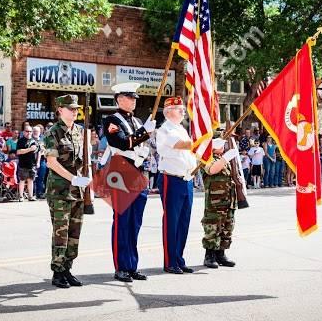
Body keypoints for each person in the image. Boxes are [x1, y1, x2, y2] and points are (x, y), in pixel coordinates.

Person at [102, 82, 156, 283]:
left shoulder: (137, 120)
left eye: (134, 98)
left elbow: (141, 146)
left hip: (138, 173)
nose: (134, 101)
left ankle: (132, 265)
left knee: (135, 222)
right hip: (121, 172)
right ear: (119, 99)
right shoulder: (111, 120)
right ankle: (121, 267)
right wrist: (144, 132)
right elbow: (121, 142)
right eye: (130, 97)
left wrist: (145, 132)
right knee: (122, 221)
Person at [43, 94, 92, 289]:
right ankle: (57, 271)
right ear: (60, 110)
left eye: (76, 108)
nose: (74, 111)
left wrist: (88, 182)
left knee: (74, 232)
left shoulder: (80, 131)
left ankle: (68, 269)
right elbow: (51, 162)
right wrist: (72, 178)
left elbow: (86, 161)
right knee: (60, 233)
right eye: (70, 108)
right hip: (59, 190)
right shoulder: (52, 133)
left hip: (78, 190)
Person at [156, 96, 197, 274]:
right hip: (171, 179)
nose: (183, 110)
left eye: (182, 108)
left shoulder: (181, 128)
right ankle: (170, 261)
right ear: (168, 111)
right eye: (179, 108)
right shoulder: (165, 129)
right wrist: (203, 142)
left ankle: (179, 258)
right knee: (171, 222)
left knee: (183, 221)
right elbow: (181, 145)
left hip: (186, 179)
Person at [202, 135, 239, 269]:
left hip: (228, 201)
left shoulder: (225, 160)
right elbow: (212, 170)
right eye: (220, 144)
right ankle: (209, 256)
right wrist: (225, 158)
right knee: (213, 228)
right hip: (215, 203)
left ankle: (220, 254)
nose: (223, 146)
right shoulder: (207, 157)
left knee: (227, 228)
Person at [16, 125, 38, 202]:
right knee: (22, 180)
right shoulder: (21, 140)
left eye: (30, 131)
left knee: (31, 180)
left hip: (32, 164)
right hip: (23, 164)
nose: (29, 133)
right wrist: (29, 149)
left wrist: (37, 162)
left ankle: (30, 196)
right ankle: (21, 196)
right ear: (24, 132)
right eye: (27, 131)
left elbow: (38, 152)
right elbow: (18, 152)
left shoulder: (34, 141)